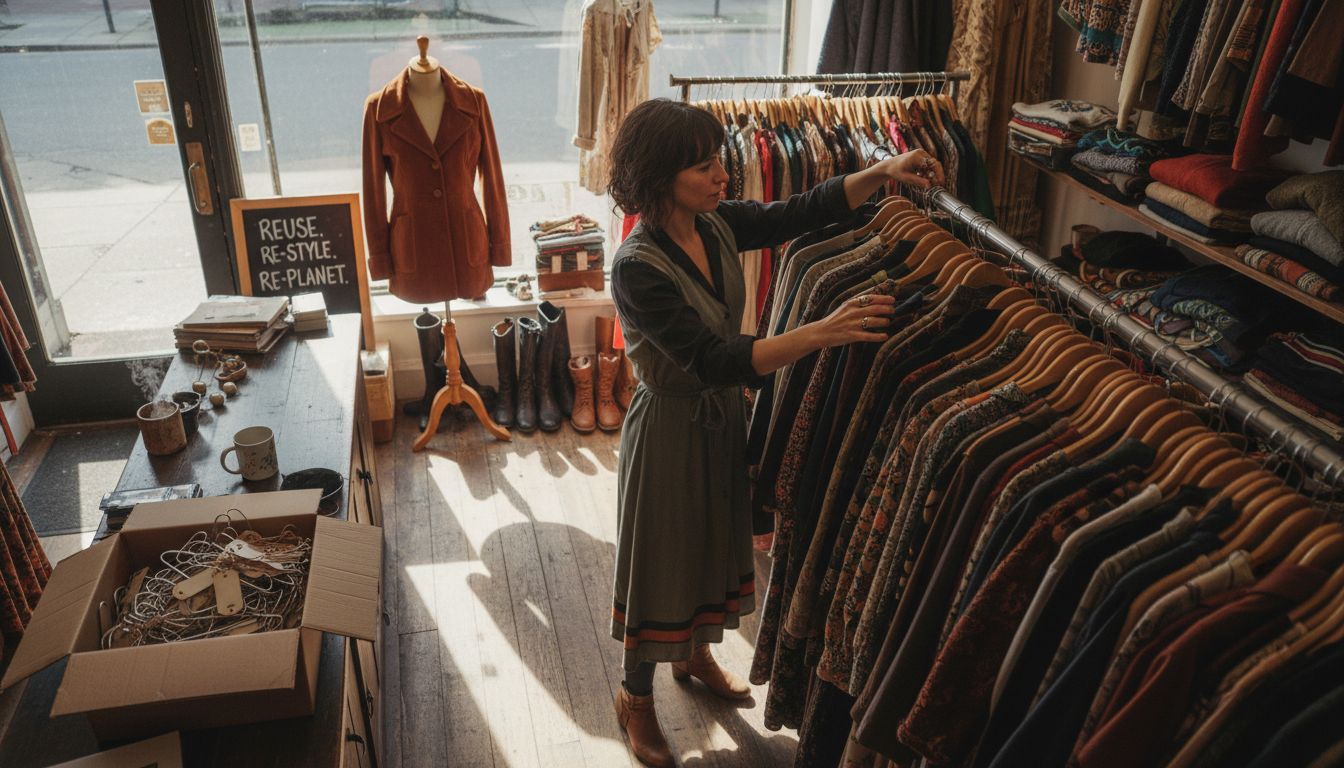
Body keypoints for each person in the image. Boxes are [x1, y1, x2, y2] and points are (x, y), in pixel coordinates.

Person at [606, 97, 945, 767]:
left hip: (722, 419)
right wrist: (822, 331)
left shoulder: (718, 225)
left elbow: (801, 210)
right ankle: (635, 698)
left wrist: (884, 171)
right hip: (671, 428)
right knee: (660, 564)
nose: (721, 176)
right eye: (703, 167)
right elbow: (712, 359)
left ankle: (694, 653)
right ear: (661, 174)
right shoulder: (638, 265)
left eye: (719, 162)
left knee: (708, 544)